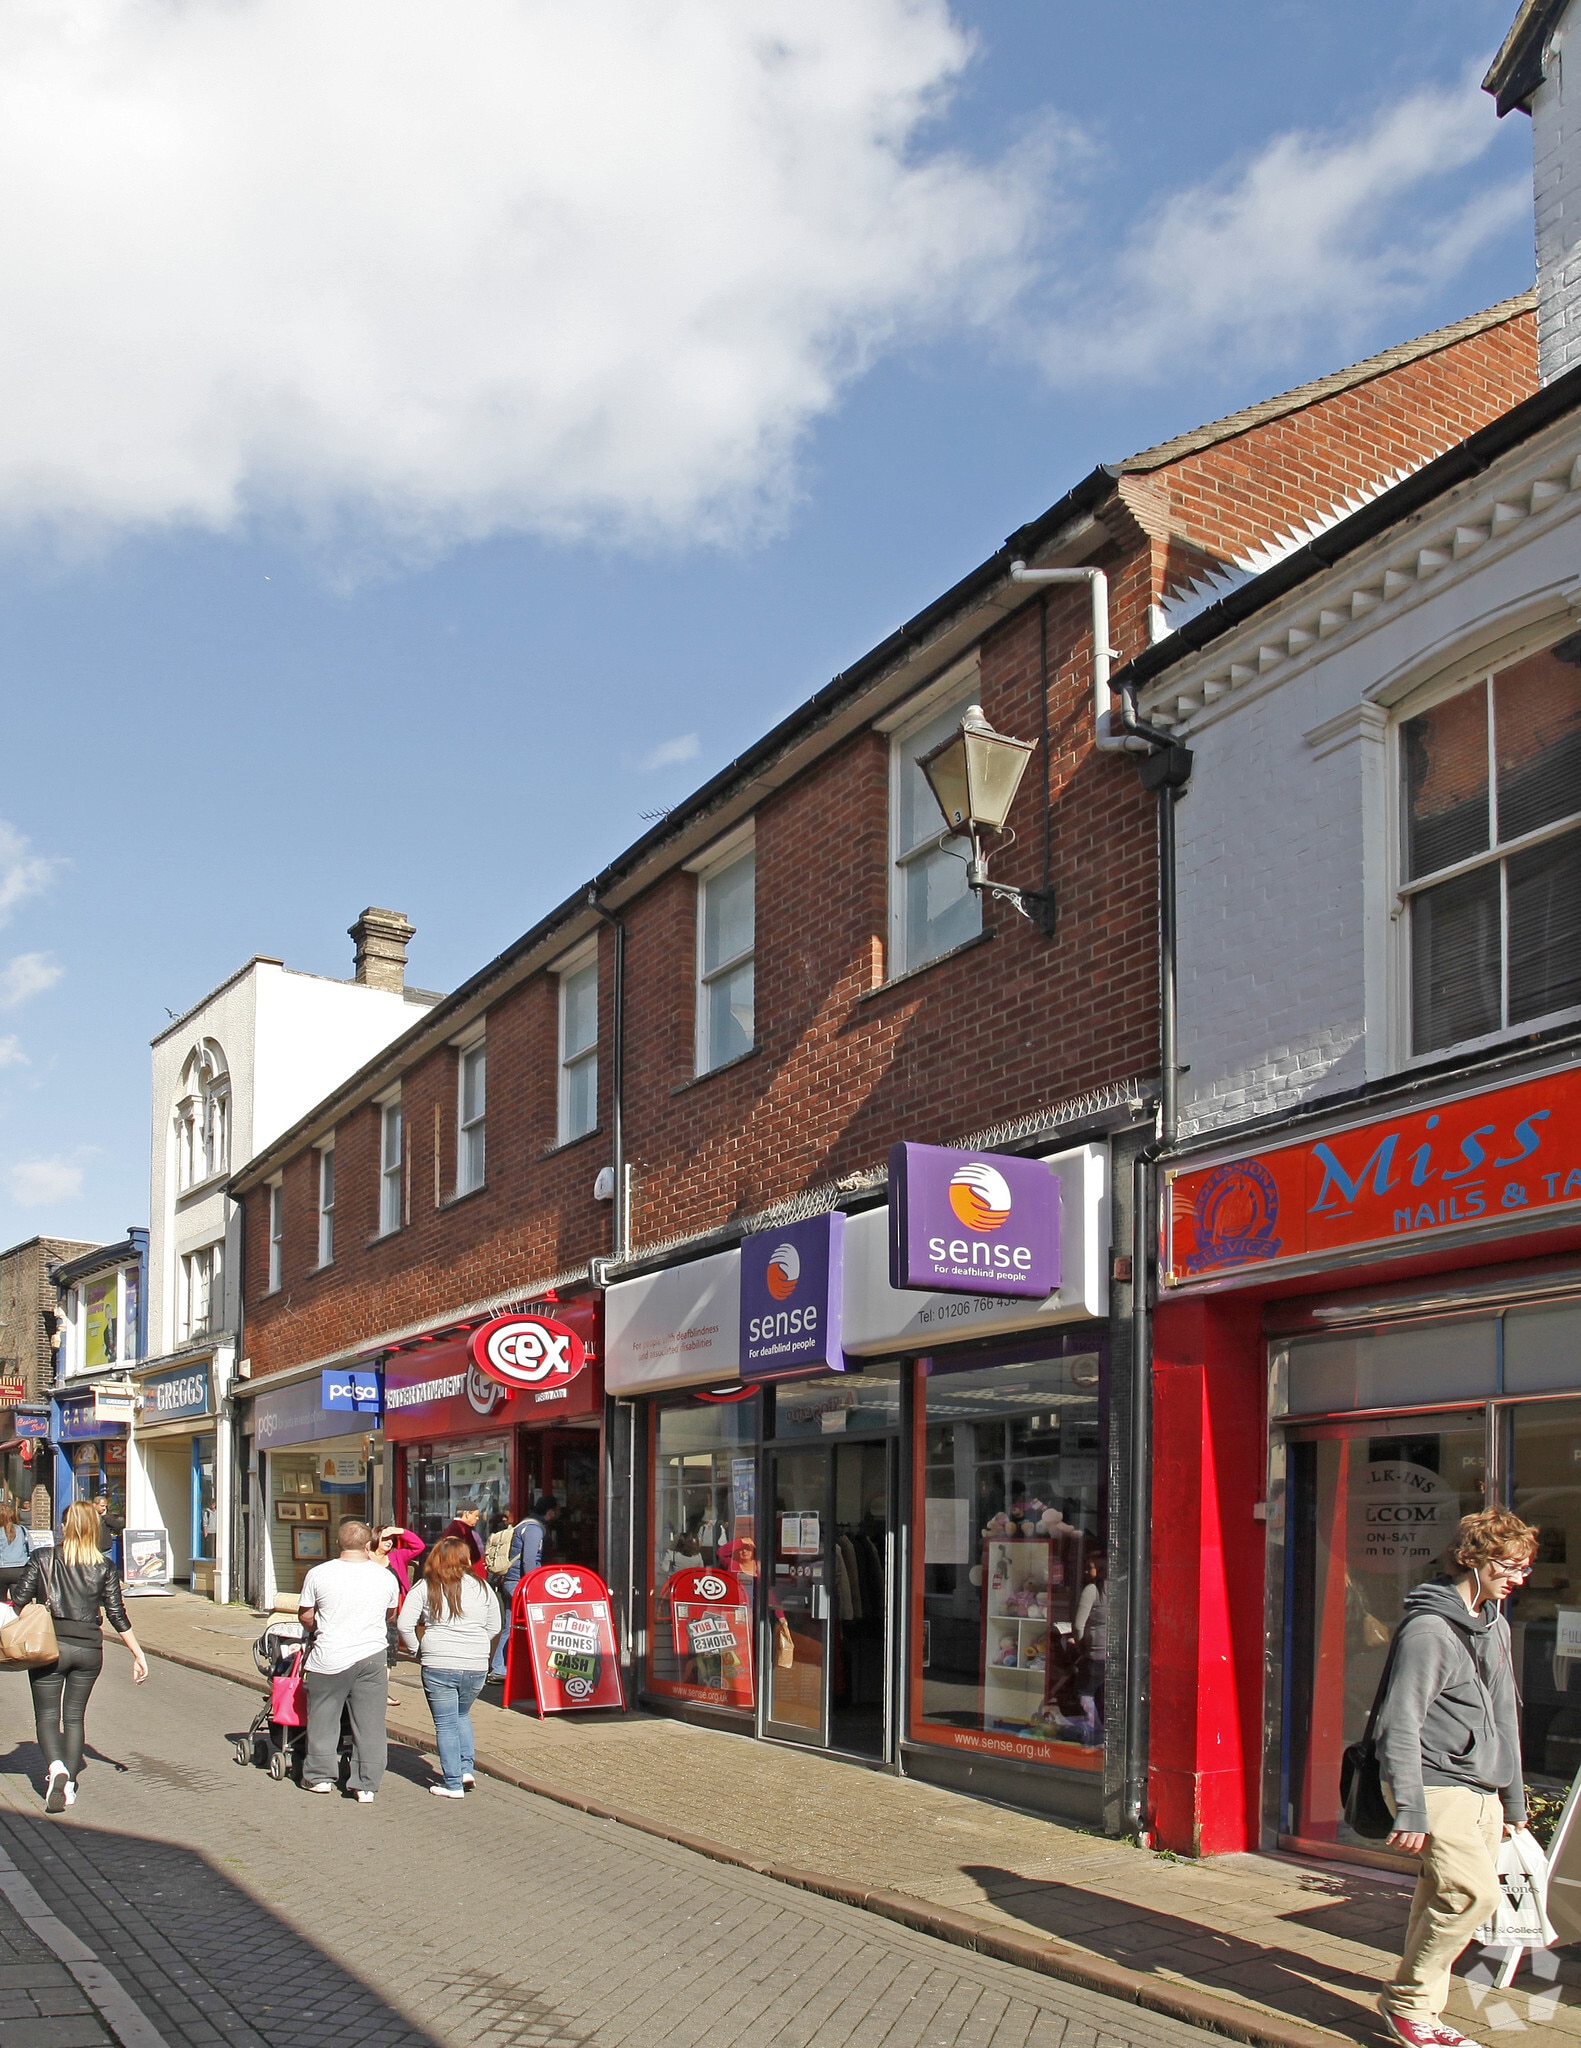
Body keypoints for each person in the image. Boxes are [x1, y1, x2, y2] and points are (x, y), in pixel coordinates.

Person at [1373, 1505, 1538, 2048]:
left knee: (1437, 1899)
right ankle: (1408, 2004)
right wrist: (1411, 1807)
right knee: (1472, 1896)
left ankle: (1425, 2012)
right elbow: (1400, 1722)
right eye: (1507, 1565)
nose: (1517, 1577)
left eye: (1523, 1568)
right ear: (1474, 1558)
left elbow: (1505, 1715)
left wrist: (1513, 1801)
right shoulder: (1430, 1631)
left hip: (1482, 1788)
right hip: (1435, 1781)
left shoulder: (1494, 1624)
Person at [10, 1501, 148, 1812]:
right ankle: (69, 1784)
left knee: (47, 1717)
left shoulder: (43, 1558)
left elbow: (19, 1598)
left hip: (49, 1648)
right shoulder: (105, 1567)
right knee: (74, 1718)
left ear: (64, 1527)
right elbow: (117, 1615)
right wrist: (138, 1654)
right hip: (89, 1650)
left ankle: (56, 1768)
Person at [297, 1518, 401, 1803]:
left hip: (329, 1656)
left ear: (338, 1543)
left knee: (323, 1717)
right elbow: (391, 1616)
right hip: (371, 1656)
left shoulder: (319, 1574)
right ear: (369, 1545)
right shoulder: (385, 1577)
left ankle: (319, 1777)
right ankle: (366, 1784)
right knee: (370, 1723)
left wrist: (315, 1627)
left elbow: (305, 1614)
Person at [397, 1535, 500, 1797]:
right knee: (462, 1715)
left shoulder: (425, 1586)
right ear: (466, 1558)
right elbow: (495, 1627)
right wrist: (474, 1644)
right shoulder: (483, 1587)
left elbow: (404, 1624)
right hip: (475, 1664)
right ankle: (466, 1770)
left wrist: (415, 1648)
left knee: (445, 1725)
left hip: (438, 1662)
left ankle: (452, 1783)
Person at [487, 1496, 557, 1682]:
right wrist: (533, 1585)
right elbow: (529, 1559)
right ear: (550, 1511)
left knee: (510, 1625)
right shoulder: (534, 1528)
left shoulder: (524, 1524)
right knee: (534, 1624)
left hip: (511, 1581)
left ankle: (500, 1668)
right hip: (520, 1582)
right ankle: (531, 1667)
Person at [0, 1500, 31, 1601]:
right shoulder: (22, 1529)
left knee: (1, 1603)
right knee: (18, 1602)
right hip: (19, 1569)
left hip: (2, 1569)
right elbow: (31, 1548)